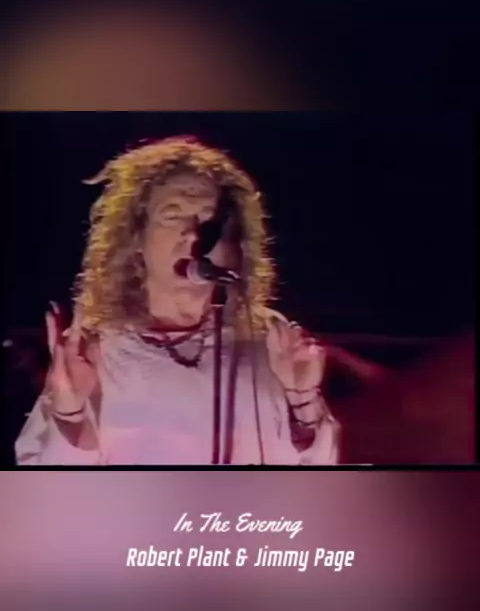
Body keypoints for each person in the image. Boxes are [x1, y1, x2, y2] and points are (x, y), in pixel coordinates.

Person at [15, 136, 340, 465]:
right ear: (136, 239)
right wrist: (69, 416)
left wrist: (302, 401)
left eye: (208, 221)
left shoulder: (267, 338)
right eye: (172, 217)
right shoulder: (96, 349)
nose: (194, 236)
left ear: (234, 242)